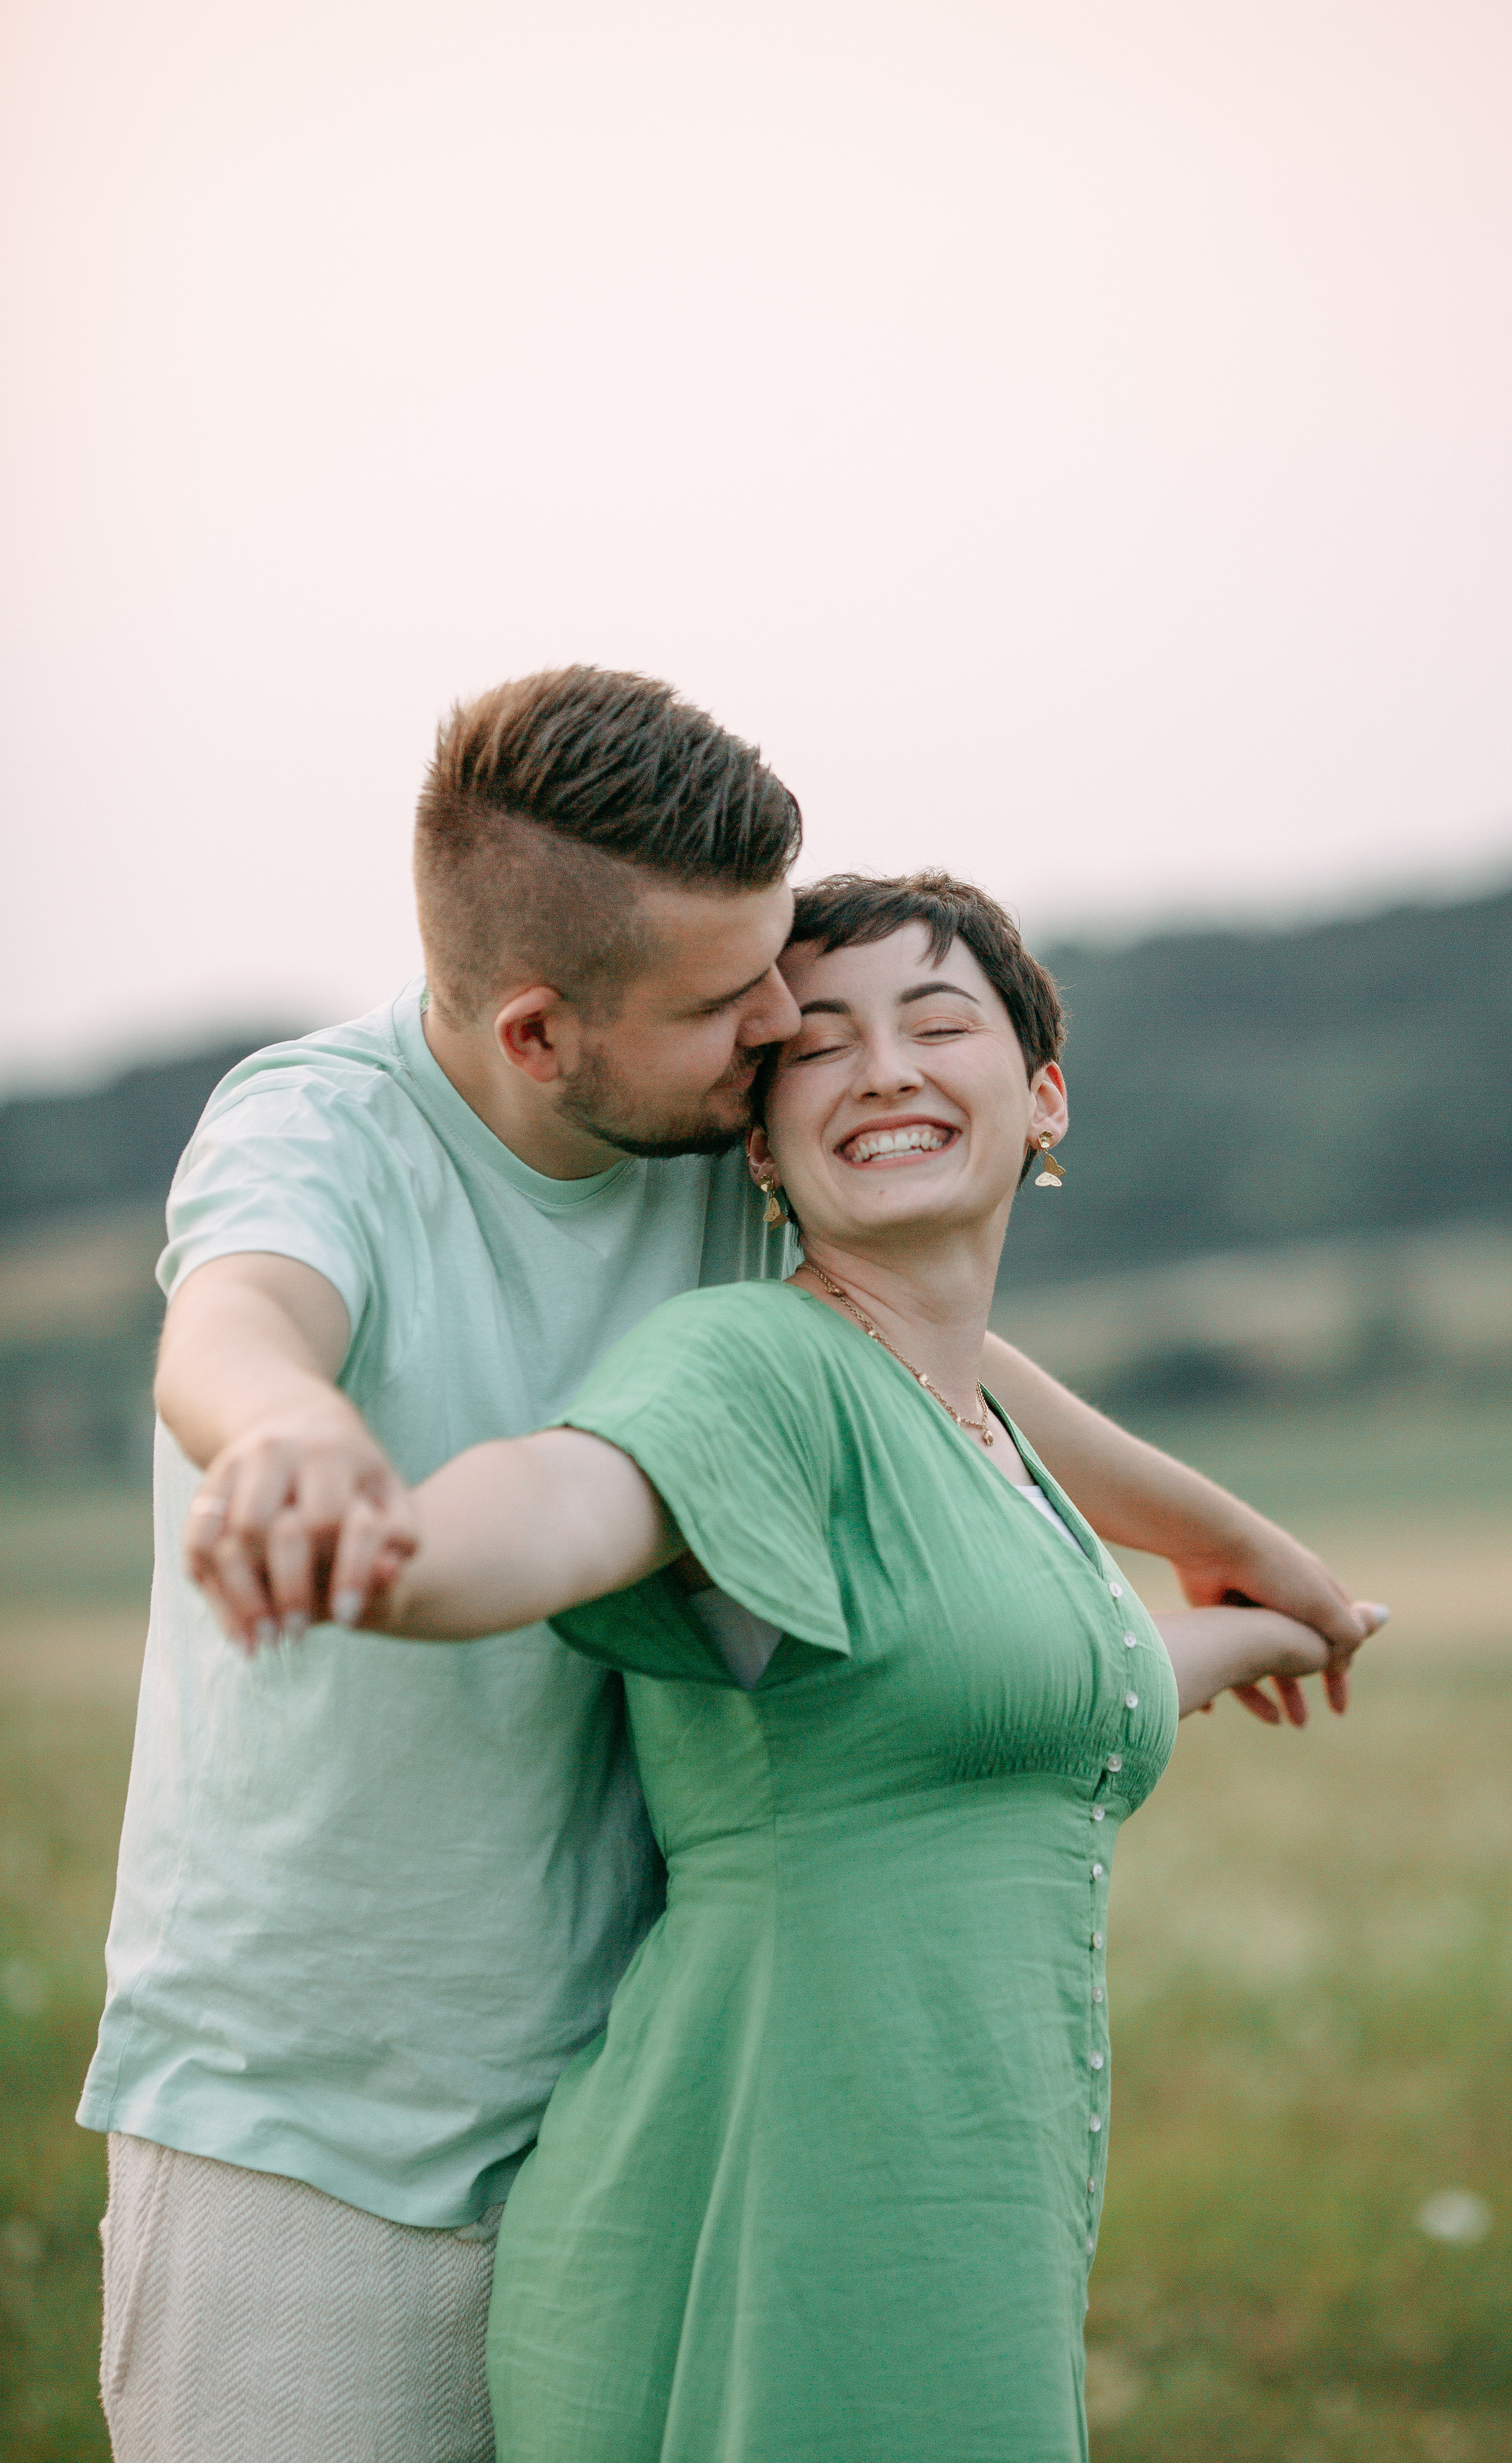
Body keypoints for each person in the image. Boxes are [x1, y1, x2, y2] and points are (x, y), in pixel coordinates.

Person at [85, 666, 1377, 2463]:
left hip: (630, 2059)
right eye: (736, 999)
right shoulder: (324, 1130)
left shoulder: (705, 1137)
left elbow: (935, 1366)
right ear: (542, 1035)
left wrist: (1235, 1549)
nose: (785, 1023)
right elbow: (235, 1324)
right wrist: (292, 1440)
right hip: (321, 2119)